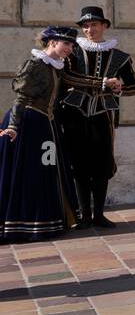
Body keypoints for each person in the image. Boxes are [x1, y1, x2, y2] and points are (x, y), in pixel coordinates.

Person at [59, 5, 135, 228]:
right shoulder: (73, 50)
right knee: (79, 164)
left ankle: (99, 215)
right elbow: (67, 78)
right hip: (74, 114)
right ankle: (84, 215)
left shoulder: (119, 56)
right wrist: (102, 82)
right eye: (85, 26)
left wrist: (119, 88)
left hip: (103, 115)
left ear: (104, 26)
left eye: (94, 24)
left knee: (102, 164)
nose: (89, 29)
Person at [0, 27, 80, 242]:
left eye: (72, 45)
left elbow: (70, 86)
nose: (70, 49)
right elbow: (20, 98)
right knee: (31, 172)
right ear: (52, 42)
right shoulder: (33, 65)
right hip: (28, 125)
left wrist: (103, 84)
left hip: (46, 125)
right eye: (67, 44)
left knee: (47, 170)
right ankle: (25, 224)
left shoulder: (57, 67)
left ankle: (47, 220)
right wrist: (13, 127)